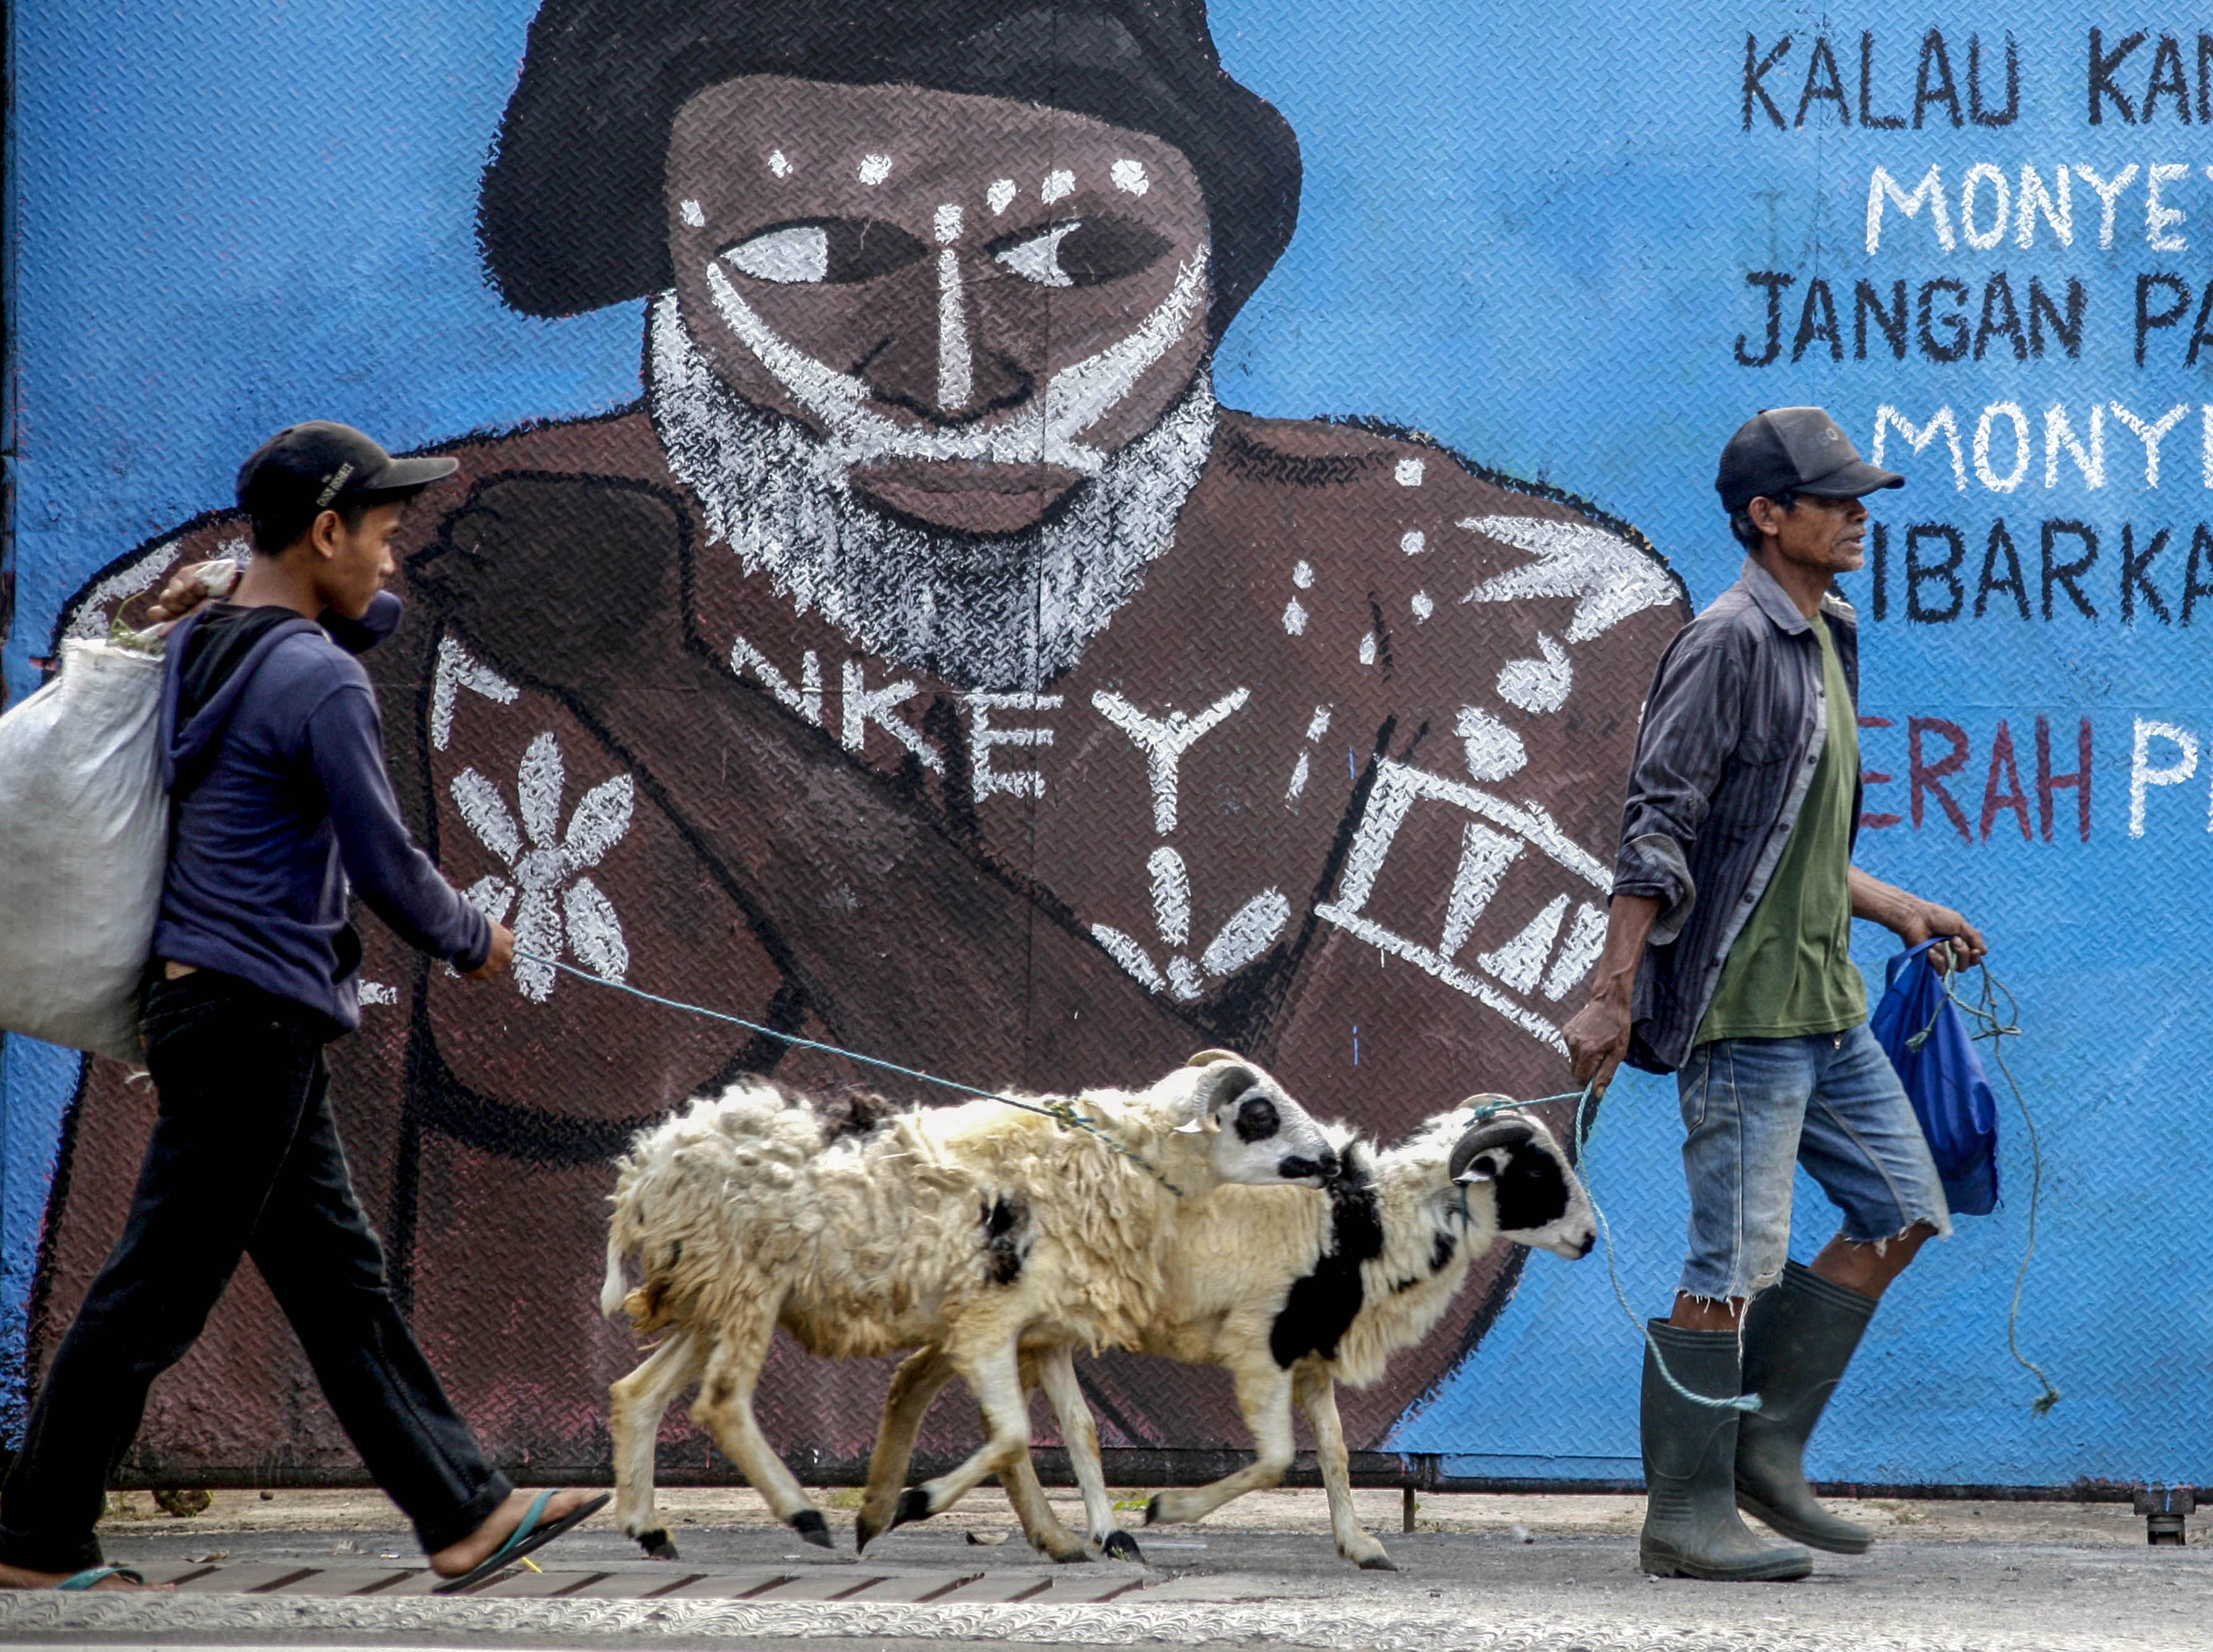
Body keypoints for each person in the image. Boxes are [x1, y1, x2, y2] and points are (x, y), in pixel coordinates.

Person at [44, 0, 1691, 1475]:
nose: (961, 377)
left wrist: (670, 702)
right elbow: (223, 1346)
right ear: (670, 261)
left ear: (1213, 256)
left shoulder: (1500, 629)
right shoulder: (365, 617)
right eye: (823, 261)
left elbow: (1259, 1355)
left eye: (1078, 260)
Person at [0, 425, 605, 1591]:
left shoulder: (217, 646)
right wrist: (475, 939)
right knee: (155, 1290)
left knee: (340, 1286)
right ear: (326, 530)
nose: (394, 563)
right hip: (250, 1020)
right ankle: (33, 1537)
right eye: (381, 535)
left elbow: (340, 613)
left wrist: (240, 575)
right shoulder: (317, 678)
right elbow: (383, 860)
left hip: (222, 1017)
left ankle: (463, 1513)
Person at [1558, 407, 1989, 1583]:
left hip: (1827, 1004)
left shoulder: (1827, 632)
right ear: (1766, 515)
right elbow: (1661, 828)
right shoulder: (1728, 641)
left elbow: (1781, 834)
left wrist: (1892, 903)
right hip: (1743, 1018)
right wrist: (1615, 993)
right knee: (1729, 1267)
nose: (1859, 516)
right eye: (1836, 498)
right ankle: (1684, 1513)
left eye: (1862, 498)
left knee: (1903, 1207)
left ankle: (1763, 1450)